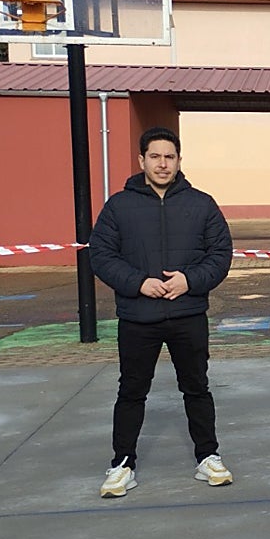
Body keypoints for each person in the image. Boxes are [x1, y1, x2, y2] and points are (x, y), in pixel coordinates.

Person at [89, 126, 234, 497]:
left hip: (187, 314)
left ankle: (208, 457)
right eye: (155, 156)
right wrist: (138, 283)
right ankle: (122, 464)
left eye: (169, 157)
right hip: (139, 318)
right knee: (132, 391)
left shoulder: (201, 204)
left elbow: (220, 255)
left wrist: (190, 280)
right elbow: (101, 255)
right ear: (142, 160)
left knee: (197, 388)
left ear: (179, 160)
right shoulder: (119, 206)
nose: (163, 163)